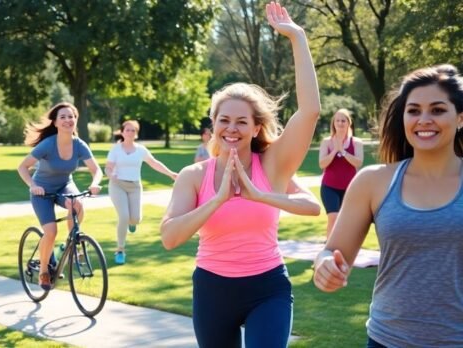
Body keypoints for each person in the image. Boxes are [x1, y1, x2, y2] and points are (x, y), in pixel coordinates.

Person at [160, 2, 321, 347]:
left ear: (255, 127)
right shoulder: (193, 175)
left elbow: (310, 111)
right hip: (213, 290)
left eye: (241, 121)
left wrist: (298, 37)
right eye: (224, 120)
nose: (232, 128)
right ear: (214, 125)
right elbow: (170, 238)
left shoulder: (273, 164)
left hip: (268, 288)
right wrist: (217, 200)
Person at [313, 65, 463, 347]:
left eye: (438, 110)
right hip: (388, 339)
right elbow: (332, 252)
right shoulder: (373, 181)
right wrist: (324, 266)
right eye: (414, 110)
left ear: (460, 118)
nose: (424, 119)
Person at [17, 102, 103, 290]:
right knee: (51, 232)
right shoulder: (48, 144)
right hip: (43, 191)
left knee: (78, 204)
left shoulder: (79, 145)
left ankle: (72, 243)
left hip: (64, 185)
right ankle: (44, 272)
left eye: (70, 116)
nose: (67, 120)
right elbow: (22, 167)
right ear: (55, 123)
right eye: (62, 117)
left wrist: (95, 183)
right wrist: (33, 185)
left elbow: (96, 170)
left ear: (75, 120)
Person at [105, 120, 178, 265]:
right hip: (117, 185)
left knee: (136, 219)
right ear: (122, 132)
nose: (130, 132)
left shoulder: (141, 150)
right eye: (127, 130)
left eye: (133, 130)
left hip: (135, 187)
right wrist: (110, 175)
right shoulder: (115, 149)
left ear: (136, 134)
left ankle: (132, 222)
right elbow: (108, 167)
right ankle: (120, 250)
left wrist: (170, 174)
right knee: (123, 216)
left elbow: (154, 163)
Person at [318, 109, 363, 239]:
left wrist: (343, 151)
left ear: (348, 123)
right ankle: (329, 247)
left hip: (350, 188)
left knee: (346, 220)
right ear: (334, 123)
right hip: (329, 187)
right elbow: (322, 164)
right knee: (333, 217)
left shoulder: (356, 142)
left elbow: (358, 162)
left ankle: (343, 247)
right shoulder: (326, 142)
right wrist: (334, 151)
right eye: (337, 120)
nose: (340, 123)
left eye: (343, 120)